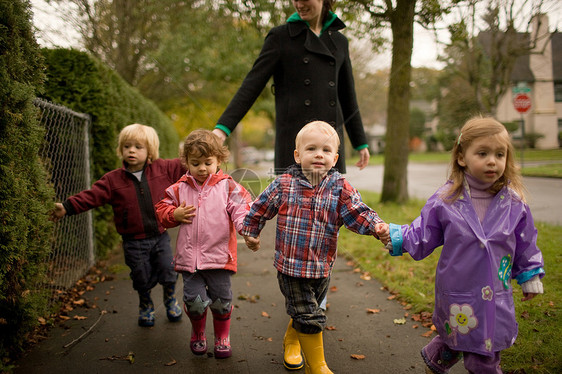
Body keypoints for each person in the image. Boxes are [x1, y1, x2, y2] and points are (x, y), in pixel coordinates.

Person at [386, 116, 545, 374]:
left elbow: (526, 242)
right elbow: (423, 233)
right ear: (462, 157)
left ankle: (435, 359)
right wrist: (396, 237)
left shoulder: (515, 204)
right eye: (482, 153)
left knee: (483, 345)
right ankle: (440, 356)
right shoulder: (445, 201)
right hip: (458, 290)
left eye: (500, 154)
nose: (492, 161)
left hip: (496, 292)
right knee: (462, 332)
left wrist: (530, 274)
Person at [241, 121, 389, 373]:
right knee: (310, 315)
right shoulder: (284, 184)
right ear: (298, 155)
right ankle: (318, 366)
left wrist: (376, 226)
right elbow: (260, 208)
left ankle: (292, 340)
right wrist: (251, 232)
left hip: (322, 267)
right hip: (290, 267)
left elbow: (357, 212)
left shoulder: (341, 187)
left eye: (326, 150)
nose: (319, 154)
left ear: (335, 158)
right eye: (311, 149)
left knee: (305, 311)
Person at [50, 123, 186, 327]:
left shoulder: (163, 169)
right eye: (127, 146)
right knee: (141, 276)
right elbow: (92, 196)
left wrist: (206, 154)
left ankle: (170, 300)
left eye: (138, 147)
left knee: (169, 270)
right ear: (121, 149)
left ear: (150, 151)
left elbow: (188, 163)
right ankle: (146, 304)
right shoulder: (113, 180)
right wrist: (67, 207)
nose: (131, 150)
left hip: (159, 236)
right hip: (133, 241)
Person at [213, 0, 370, 174]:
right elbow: (252, 84)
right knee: (291, 199)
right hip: (294, 143)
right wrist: (223, 129)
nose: (299, 4)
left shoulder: (340, 41)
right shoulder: (280, 37)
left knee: (330, 199)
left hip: (328, 143)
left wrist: (360, 142)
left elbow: (347, 95)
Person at [154, 129, 258, 359]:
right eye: (195, 163)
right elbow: (161, 209)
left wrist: (247, 232)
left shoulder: (228, 187)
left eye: (208, 162)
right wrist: (174, 213)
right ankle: (198, 333)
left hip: (219, 259)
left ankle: (222, 337)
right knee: (195, 303)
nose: (202, 168)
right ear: (187, 163)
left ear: (219, 160)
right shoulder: (179, 188)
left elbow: (242, 210)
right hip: (189, 261)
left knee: (221, 303)